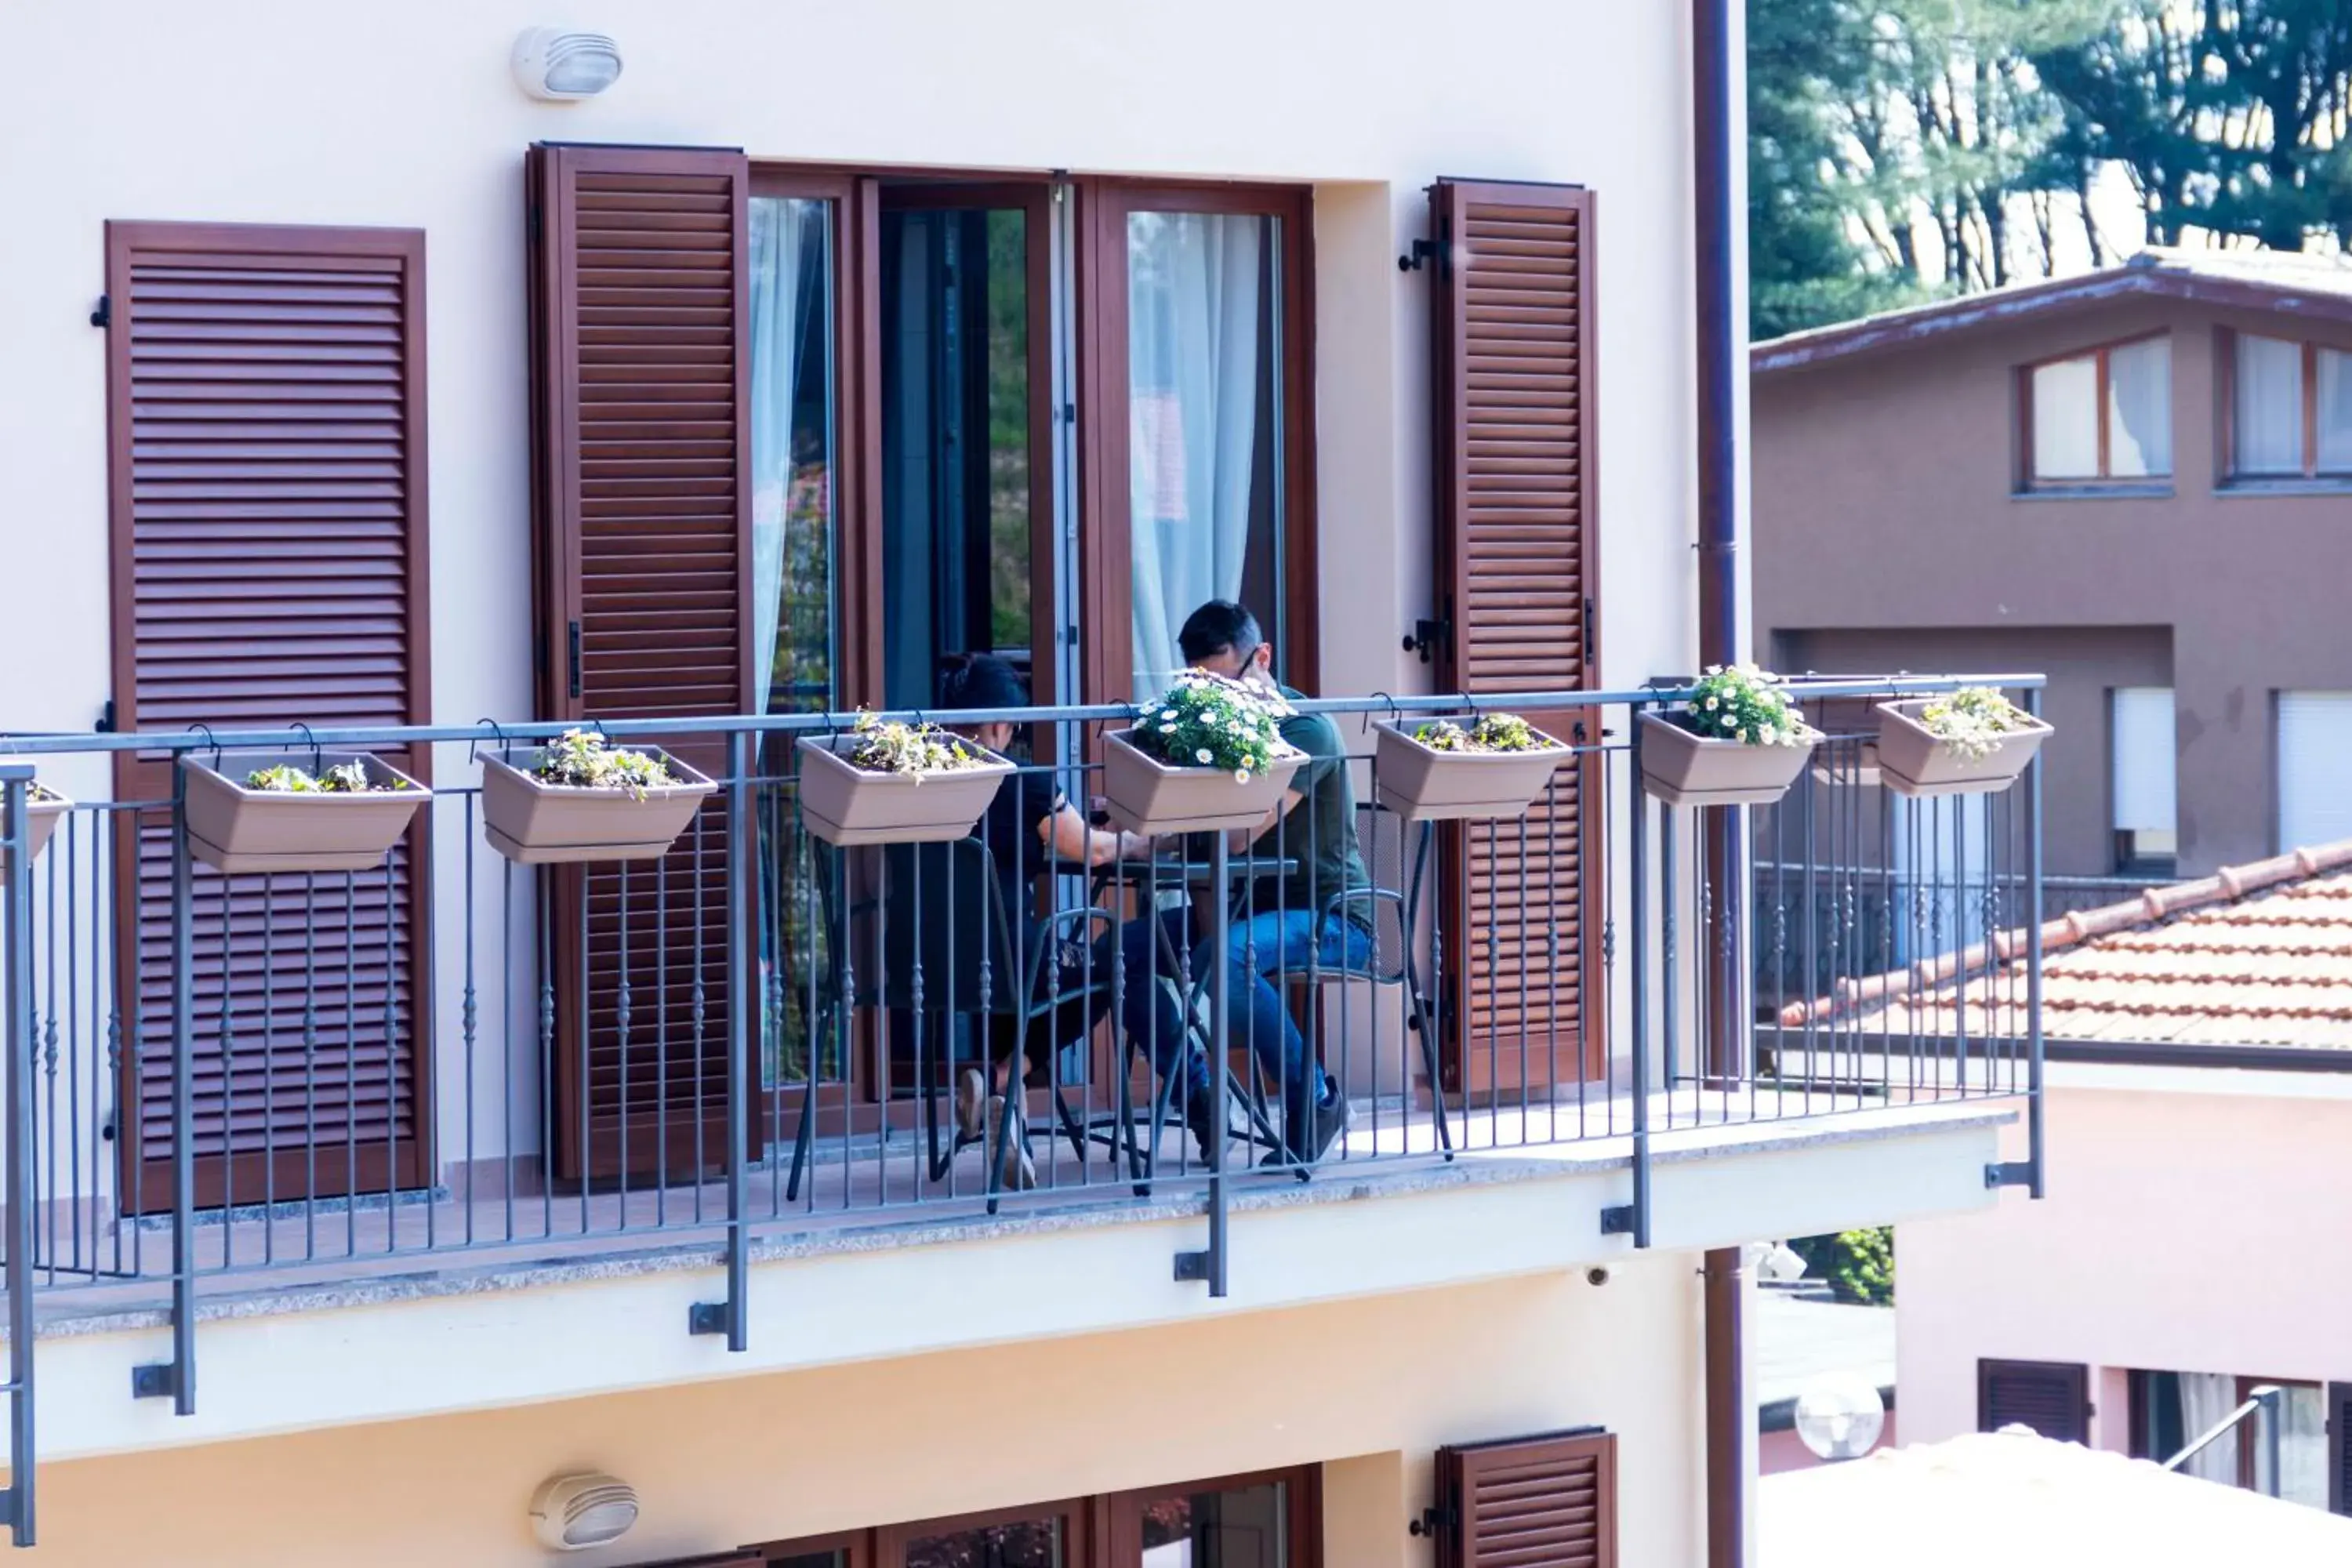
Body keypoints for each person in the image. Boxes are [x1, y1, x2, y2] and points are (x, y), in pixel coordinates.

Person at [1122, 601, 1367, 1169]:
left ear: (1261, 659)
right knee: (1115, 955)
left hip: (1333, 915)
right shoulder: (1220, 727)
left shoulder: (1307, 730)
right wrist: (1138, 830)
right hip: (1251, 907)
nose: (1216, 699)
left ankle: (1318, 1100)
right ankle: (1204, 1098)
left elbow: (1235, 836)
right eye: (1200, 686)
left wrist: (1180, 796)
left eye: (1224, 682)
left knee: (1227, 959)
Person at [937, 654, 1163, 1188]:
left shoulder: (921, 781)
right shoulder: (1024, 783)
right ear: (1000, 722)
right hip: (1012, 955)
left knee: (1027, 982)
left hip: (931, 961)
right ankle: (996, 1081)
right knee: (1109, 970)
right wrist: (1148, 839)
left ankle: (1000, 1102)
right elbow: (1091, 849)